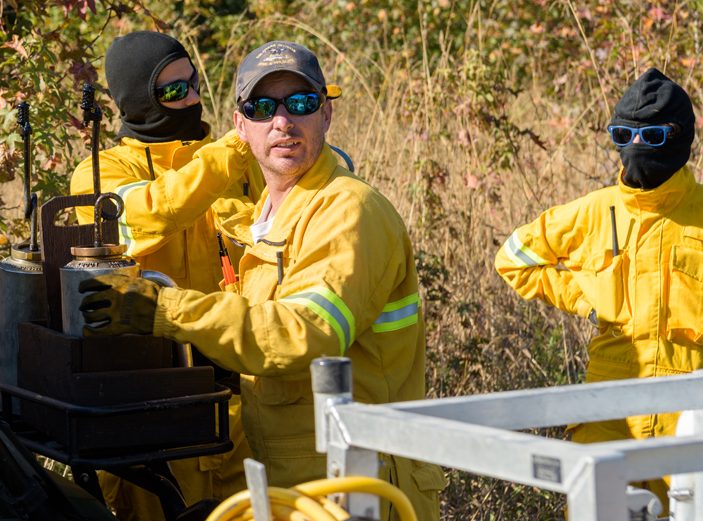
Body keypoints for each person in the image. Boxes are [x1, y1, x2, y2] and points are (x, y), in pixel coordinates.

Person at [77, 40, 446, 520]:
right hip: (237, 443)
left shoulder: (347, 209)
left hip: (349, 480)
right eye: (261, 107)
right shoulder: (110, 173)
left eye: (300, 104)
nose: (282, 122)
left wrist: (167, 310)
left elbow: (304, 330)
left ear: (326, 114)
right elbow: (139, 217)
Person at [70, 30, 265, 521]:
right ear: (138, 100)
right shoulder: (102, 172)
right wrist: (228, 155)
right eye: (174, 91)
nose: (194, 98)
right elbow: (146, 215)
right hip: (151, 411)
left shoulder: (235, 162)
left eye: (194, 83)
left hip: (237, 402)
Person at [494, 67, 698, 509]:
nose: (637, 148)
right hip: (608, 394)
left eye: (653, 137)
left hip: (691, 402)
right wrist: (584, 300)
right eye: (624, 135)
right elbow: (513, 258)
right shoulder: (593, 211)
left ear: (680, 138)